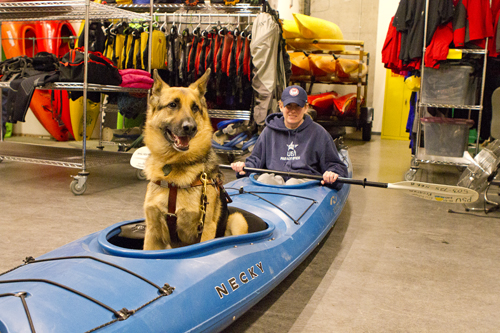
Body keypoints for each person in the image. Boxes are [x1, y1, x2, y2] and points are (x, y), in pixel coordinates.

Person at [231, 85, 348, 189]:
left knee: (293, 183)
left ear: (306, 107)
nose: (293, 111)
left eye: (298, 106)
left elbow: (336, 165)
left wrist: (332, 173)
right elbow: (255, 160)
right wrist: (244, 167)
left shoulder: (319, 133)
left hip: (304, 183)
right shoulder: (268, 132)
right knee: (264, 179)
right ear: (281, 106)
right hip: (275, 179)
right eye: (288, 106)